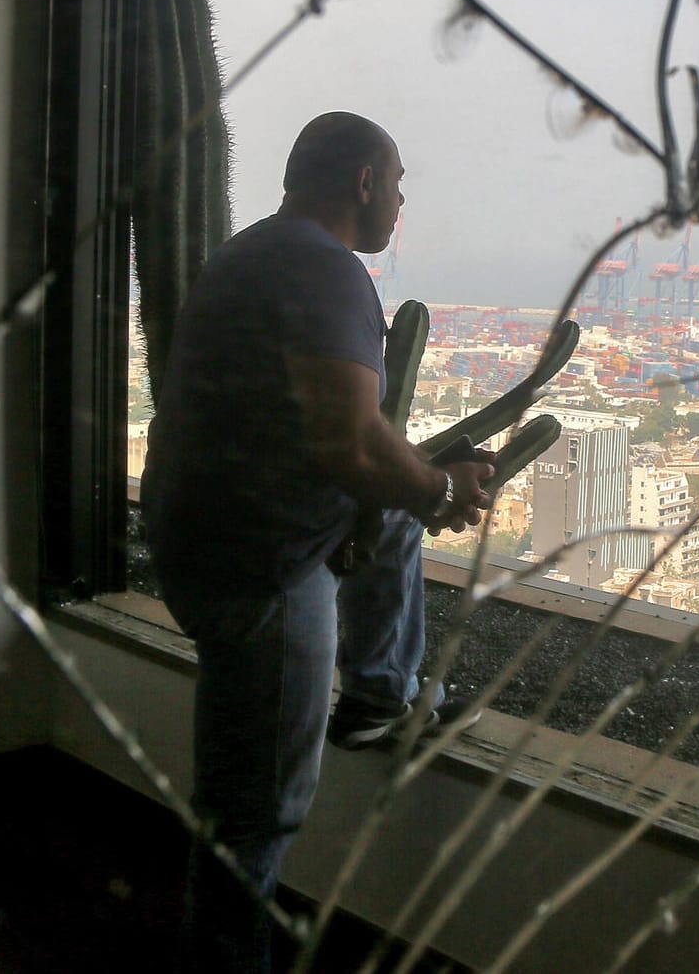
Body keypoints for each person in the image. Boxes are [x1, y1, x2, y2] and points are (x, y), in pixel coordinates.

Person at [140, 111, 494, 972]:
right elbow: (353, 446)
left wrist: (420, 475)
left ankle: (380, 691)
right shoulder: (327, 271)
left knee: (395, 511)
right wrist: (441, 487)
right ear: (365, 182)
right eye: (398, 182)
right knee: (257, 810)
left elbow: (321, 430)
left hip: (205, 534)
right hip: (260, 566)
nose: (402, 201)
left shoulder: (252, 251)